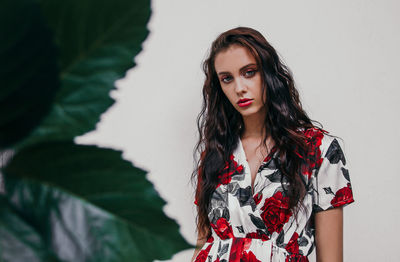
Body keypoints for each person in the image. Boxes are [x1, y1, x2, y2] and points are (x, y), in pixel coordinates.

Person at [191, 27, 354, 262]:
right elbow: (203, 241)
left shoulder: (319, 149)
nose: (239, 88)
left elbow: (331, 258)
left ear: (268, 73)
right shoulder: (216, 153)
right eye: (227, 78)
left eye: (249, 72)